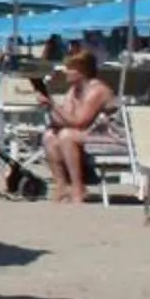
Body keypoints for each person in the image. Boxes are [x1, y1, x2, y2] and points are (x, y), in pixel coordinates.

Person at [41, 47, 115, 202]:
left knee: (67, 135)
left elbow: (80, 122)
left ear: (82, 71)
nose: (66, 72)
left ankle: (78, 187)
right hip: (90, 134)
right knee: (50, 136)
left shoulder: (96, 90)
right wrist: (49, 107)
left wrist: (53, 105)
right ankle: (61, 185)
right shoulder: (74, 90)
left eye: (70, 69)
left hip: (113, 136)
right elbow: (64, 119)